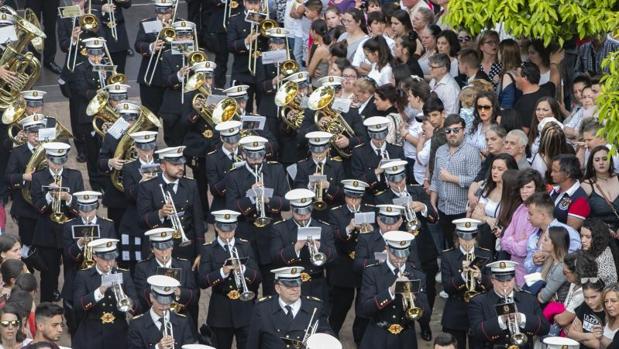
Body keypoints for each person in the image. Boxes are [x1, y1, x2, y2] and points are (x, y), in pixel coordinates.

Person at [225, 135, 290, 296]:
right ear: (244, 155)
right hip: (247, 235)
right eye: (251, 156)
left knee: (272, 286)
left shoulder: (276, 170)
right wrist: (250, 198)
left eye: (260, 155)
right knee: (249, 284)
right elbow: (231, 208)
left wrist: (268, 199)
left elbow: (287, 202)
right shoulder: (234, 175)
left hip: (271, 234)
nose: (256, 160)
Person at [197, 210, 261, 349]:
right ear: (216, 227)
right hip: (220, 309)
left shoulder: (244, 246)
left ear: (236, 227)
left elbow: (257, 278)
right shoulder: (208, 250)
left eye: (230, 229)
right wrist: (222, 272)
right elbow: (202, 282)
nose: (227, 233)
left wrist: (243, 270)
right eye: (223, 229)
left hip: (245, 309)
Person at [358, 230, 431, 349]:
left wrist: (414, 299)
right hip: (378, 336)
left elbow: (426, 315)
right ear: (386, 248)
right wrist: (390, 291)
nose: (400, 258)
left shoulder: (417, 275)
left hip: (405, 339)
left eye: (404, 253)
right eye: (395, 253)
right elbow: (365, 309)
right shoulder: (372, 272)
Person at [30, 142, 84, 303]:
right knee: (48, 276)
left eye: (61, 161)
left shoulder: (74, 176)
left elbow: (81, 208)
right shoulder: (38, 177)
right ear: (47, 158)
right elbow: (37, 208)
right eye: (54, 160)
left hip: (69, 234)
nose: (57, 165)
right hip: (47, 234)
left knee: (72, 275)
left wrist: (68, 199)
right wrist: (49, 196)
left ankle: (70, 311)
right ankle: (46, 310)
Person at [61, 190, 116, 334]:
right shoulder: (69, 226)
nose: (86, 214)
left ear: (96, 207)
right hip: (76, 276)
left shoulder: (107, 225)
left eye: (90, 209)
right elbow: (66, 256)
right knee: (76, 323)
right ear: (78, 209)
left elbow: (114, 256)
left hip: (100, 276)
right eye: (83, 210)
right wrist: (79, 244)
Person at [137, 146, 205, 260]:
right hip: (160, 247)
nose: (180, 168)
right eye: (175, 165)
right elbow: (141, 221)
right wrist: (160, 214)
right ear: (163, 166)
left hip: (187, 247)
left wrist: (200, 252)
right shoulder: (148, 186)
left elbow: (197, 221)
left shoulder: (191, 185)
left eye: (182, 164)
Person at [326, 179, 372, 344]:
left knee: (363, 305)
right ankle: (332, 334)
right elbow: (332, 236)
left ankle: (360, 337)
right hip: (344, 264)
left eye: (357, 197)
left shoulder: (370, 210)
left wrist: (371, 232)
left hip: (365, 264)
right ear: (345, 196)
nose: (353, 201)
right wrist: (349, 228)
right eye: (350, 197)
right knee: (340, 305)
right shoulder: (336, 212)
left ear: (361, 198)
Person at [270, 188, 336, 301]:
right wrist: (296, 247)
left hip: (316, 285)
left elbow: (333, 257)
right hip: (290, 284)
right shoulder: (279, 228)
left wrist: (319, 246)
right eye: (299, 212)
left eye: (307, 211)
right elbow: (275, 258)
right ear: (292, 209)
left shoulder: (324, 228)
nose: (303, 215)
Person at [72, 238, 138, 349]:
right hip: (92, 329)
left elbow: (137, 305)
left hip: (118, 331)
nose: (110, 262)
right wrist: (100, 291)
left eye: (112, 258)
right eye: (105, 259)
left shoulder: (124, 275)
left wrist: (128, 301)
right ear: (95, 257)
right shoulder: (84, 276)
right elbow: (78, 306)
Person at [246, 267, 333, 348]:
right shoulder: (262, 308)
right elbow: (252, 343)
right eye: (289, 286)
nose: (295, 289)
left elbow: (327, 333)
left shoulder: (314, 306)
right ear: (277, 288)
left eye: (298, 284)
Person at [468, 260, 550, 347]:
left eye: (509, 280)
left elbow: (545, 328)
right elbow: (477, 332)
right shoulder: (479, 302)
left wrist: (522, 318)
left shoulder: (529, 299)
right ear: (492, 280)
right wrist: (501, 320)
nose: (505, 285)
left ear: (514, 279)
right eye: (500, 281)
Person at [440, 218, 492, 349]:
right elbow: (447, 288)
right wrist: (462, 276)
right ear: (457, 237)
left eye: (471, 237)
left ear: (476, 237)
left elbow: (492, 284)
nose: (467, 241)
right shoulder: (448, 256)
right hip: (456, 310)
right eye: (463, 237)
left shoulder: (485, 254)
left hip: (479, 310)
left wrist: (480, 276)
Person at [430, 115, 481, 249]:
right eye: (448, 131)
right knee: (448, 247)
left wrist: (451, 178)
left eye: (456, 130)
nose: (452, 134)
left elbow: (476, 181)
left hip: (461, 210)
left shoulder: (471, 152)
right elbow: (435, 177)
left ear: (463, 130)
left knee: (463, 246)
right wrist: (432, 201)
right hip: (442, 208)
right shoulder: (440, 150)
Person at [134, 228, 199, 326]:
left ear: (172, 247)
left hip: (180, 318)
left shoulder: (184, 265)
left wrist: (179, 292)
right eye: (159, 248)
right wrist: (158, 288)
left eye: (167, 246)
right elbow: (141, 297)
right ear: (152, 249)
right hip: (154, 319)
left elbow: (194, 295)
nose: (164, 252)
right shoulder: (142, 267)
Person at [4, 115, 46, 258]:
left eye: (39, 133)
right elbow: (8, 177)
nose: (36, 136)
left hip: (44, 204)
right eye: (33, 133)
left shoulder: (49, 150)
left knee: (44, 241)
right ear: (26, 134)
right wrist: (24, 177)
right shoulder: (17, 152)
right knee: (27, 242)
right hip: (25, 206)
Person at [117, 131, 159, 270]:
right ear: (136, 147)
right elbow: (128, 195)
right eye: (143, 148)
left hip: (157, 217)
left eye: (150, 148)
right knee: (134, 263)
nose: (147, 152)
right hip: (136, 220)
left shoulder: (162, 165)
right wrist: (141, 183)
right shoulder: (129, 167)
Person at [500, 169, 545, 286]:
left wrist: (512, 240)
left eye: (528, 187)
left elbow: (523, 249)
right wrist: (514, 241)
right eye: (522, 188)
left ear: (537, 189)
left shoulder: (538, 213)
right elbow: (504, 240)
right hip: (513, 269)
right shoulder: (520, 207)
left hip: (528, 273)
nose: (524, 192)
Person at [127, 275, 196, 349]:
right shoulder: (137, 325)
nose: (164, 307)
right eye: (160, 302)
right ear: (151, 297)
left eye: (167, 302)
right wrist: (157, 347)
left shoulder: (182, 322)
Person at [159, 20, 197, 146]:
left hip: (191, 104)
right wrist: (179, 75)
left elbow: (205, 78)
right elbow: (165, 81)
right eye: (180, 36)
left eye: (187, 36)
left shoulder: (198, 55)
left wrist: (192, 60)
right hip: (173, 105)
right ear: (175, 37)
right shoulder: (167, 55)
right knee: (172, 140)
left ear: (191, 37)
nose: (184, 40)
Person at [523, 193, 581, 275]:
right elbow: (527, 267)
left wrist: (552, 256)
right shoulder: (533, 236)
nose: (528, 218)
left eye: (531, 214)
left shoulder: (569, 232)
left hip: (557, 285)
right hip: (535, 284)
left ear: (542, 215)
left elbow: (574, 265)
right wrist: (534, 262)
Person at [134, 0, 174, 115]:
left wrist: (172, 33)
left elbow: (187, 46)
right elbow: (138, 44)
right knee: (150, 114)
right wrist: (151, 46)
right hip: (151, 75)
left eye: (167, 12)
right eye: (160, 12)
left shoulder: (179, 24)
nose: (163, 16)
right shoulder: (147, 23)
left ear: (172, 10)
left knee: (170, 117)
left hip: (171, 76)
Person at [351, 116, 404, 202]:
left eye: (382, 135)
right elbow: (357, 181)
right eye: (375, 136)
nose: (379, 139)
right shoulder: (359, 152)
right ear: (369, 134)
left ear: (386, 133)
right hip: (370, 197)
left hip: (393, 196)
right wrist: (376, 171)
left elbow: (405, 176)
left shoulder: (396, 150)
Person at [581, 145, 619, 234]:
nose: (601, 162)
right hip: (599, 236)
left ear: (610, 161)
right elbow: (582, 217)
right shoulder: (586, 185)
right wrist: (601, 228)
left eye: (605, 159)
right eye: (597, 160)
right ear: (592, 163)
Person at [549, 154, 591, 230]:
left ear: (568, 173)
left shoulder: (580, 199)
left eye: (555, 171)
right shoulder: (554, 191)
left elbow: (570, 232)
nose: (551, 174)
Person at [513, 62, 556, 132]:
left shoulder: (522, 104)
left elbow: (523, 133)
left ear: (525, 78)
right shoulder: (548, 89)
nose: (515, 78)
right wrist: (554, 64)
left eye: (517, 75)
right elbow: (555, 77)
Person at [568, 278, 607, 349]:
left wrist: (580, 335)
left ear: (602, 293)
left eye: (593, 297)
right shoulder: (585, 306)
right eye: (586, 297)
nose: (589, 301)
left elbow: (599, 345)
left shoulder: (608, 312)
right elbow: (570, 333)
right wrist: (590, 336)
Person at [536, 226, 570, 304]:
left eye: (545, 240)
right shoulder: (551, 259)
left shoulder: (561, 267)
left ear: (555, 243)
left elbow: (542, 298)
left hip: (554, 311)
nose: (542, 242)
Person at [579, 218, 618, 287]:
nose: (583, 240)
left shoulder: (603, 259)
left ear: (597, 238)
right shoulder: (592, 249)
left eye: (588, 237)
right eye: (582, 236)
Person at [467, 91, 499, 156]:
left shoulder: (498, 127)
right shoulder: (475, 125)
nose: (482, 111)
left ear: (493, 108)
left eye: (486, 107)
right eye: (479, 107)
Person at [497, 39, 522, 109]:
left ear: (503, 54)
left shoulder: (507, 76)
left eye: (499, 52)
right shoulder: (520, 71)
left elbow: (507, 103)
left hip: (508, 116)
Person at [308, 20, 331, 87]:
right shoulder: (329, 44)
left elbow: (309, 72)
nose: (310, 33)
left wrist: (312, 72)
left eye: (311, 30)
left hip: (318, 85)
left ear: (314, 31)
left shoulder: (320, 50)